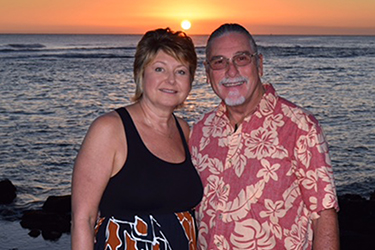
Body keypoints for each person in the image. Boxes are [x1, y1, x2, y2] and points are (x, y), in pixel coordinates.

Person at [189, 23, 340, 250]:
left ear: (259, 64)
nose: (231, 71)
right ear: (207, 72)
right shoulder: (200, 132)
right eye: (219, 62)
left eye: (241, 59)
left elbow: (323, 215)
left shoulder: (299, 127)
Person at [71, 28, 203, 250]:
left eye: (181, 71)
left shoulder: (184, 130)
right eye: (159, 69)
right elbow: (82, 220)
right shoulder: (110, 129)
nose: (170, 80)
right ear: (141, 74)